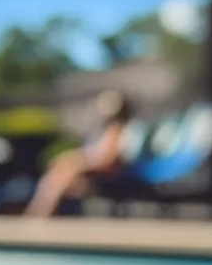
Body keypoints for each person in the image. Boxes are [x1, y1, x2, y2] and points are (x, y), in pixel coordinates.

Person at [25, 89, 133, 218]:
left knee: (61, 176)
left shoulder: (117, 131)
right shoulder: (103, 131)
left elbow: (107, 160)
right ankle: (40, 213)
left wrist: (78, 161)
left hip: (106, 175)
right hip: (93, 172)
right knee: (57, 176)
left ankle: (40, 214)